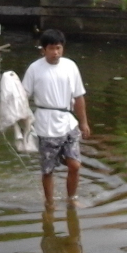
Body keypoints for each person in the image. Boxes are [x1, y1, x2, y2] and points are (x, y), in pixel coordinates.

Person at [21, 29, 91, 207]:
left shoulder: (70, 66)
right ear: (43, 50)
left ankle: (71, 199)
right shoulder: (35, 69)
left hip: (68, 121)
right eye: (51, 49)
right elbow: (22, 97)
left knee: (75, 165)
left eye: (58, 48)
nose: (55, 53)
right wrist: (23, 123)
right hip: (45, 124)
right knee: (48, 169)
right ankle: (50, 202)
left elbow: (79, 97)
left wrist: (83, 122)